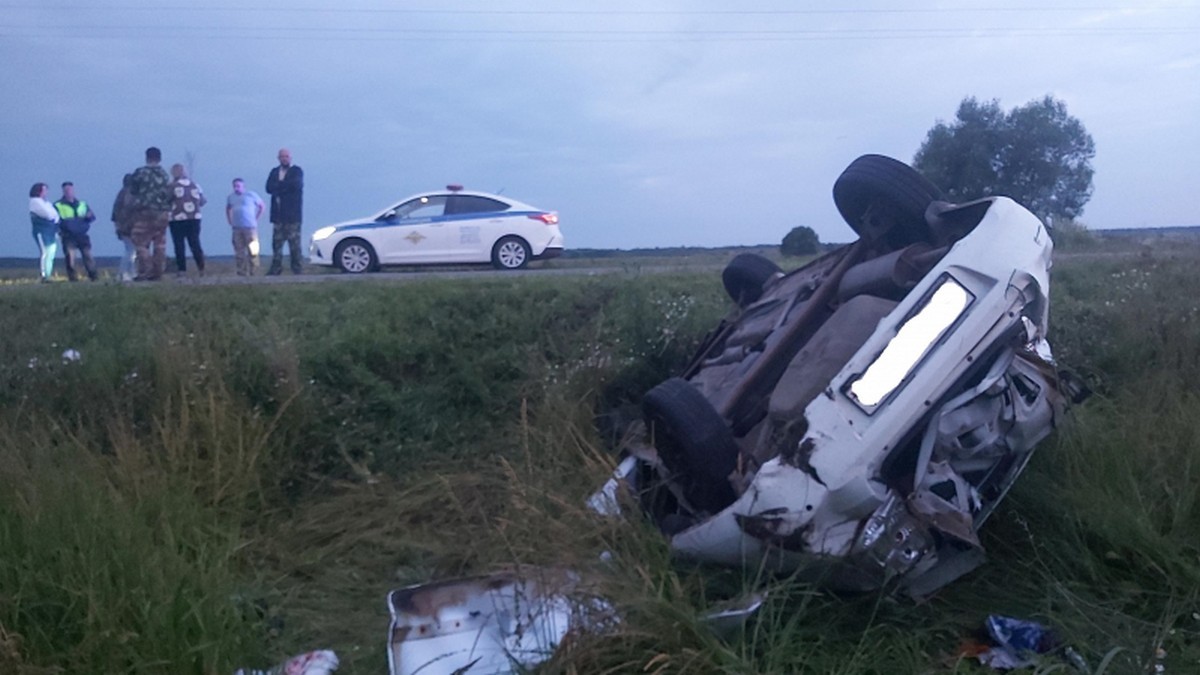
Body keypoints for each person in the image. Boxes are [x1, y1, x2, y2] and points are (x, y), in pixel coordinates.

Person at [128, 146, 172, 281]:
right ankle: (158, 272)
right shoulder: (165, 174)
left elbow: (133, 190)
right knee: (159, 243)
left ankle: (146, 270)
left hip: (145, 212)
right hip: (163, 213)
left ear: (146, 157)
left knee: (139, 241)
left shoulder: (141, 173)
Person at [264, 147, 304, 275]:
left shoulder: (297, 171)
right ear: (278, 158)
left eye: (286, 156)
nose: (284, 158)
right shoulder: (274, 172)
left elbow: (296, 185)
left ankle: (297, 269)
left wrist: (280, 186)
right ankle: (276, 269)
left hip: (293, 216)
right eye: (282, 156)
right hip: (278, 216)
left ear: (290, 157)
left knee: (295, 245)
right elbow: (268, 187)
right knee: (276, 244)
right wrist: (284, 186)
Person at [53, 182, 98, 282]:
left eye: (70, 189)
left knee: (88, 255)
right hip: (68, 235)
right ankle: (73, 278)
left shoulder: (82, 204)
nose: (69, 192)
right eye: (67, 190)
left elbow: (92, 217)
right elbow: (54, 220)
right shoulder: (58, 205)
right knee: (70, 258)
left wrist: (88, 216)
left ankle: (93, 276)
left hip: (82, 235)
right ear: (63, 191)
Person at [168, 163, 207, 277]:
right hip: (194, 218)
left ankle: (182, 270)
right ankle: (201, 268)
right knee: (195, 243)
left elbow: (166, 200)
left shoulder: (172, 186)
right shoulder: (195, 185)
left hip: (177, 218)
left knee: (179, 244)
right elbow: (203, 201)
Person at [226, 178, 264, 276]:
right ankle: (241, 272)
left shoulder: (251, 195)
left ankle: (254, 272)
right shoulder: (231, 197)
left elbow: (262, 206)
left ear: (243, 186)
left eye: (238, 186)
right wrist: (230, 220)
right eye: (235, 186)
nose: (236, 188)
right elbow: (228, 208)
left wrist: (256, 218)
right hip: (237, 228)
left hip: (250, 227)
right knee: (239, 251)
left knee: (253, 251)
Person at [29, 182, 60, 282]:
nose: (46, 192)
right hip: (41, 231)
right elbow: (47, 214)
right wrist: (52, 217)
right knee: (45, 252)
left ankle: (48, 274)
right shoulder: (35, 202)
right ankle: (43, 275)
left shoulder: (46, 203)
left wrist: (54, 218)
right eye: (44, 190)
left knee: (51, 252)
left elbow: (55, 215)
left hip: (50, 231)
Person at [112, 173, 137, 282]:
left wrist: (117, 227)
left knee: (131, 251)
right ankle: (124, 273)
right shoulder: (129, 195)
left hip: (123, 227)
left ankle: (130, 272)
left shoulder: (121, 194)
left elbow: (114, 214)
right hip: (128, 227)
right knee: (131, 251)